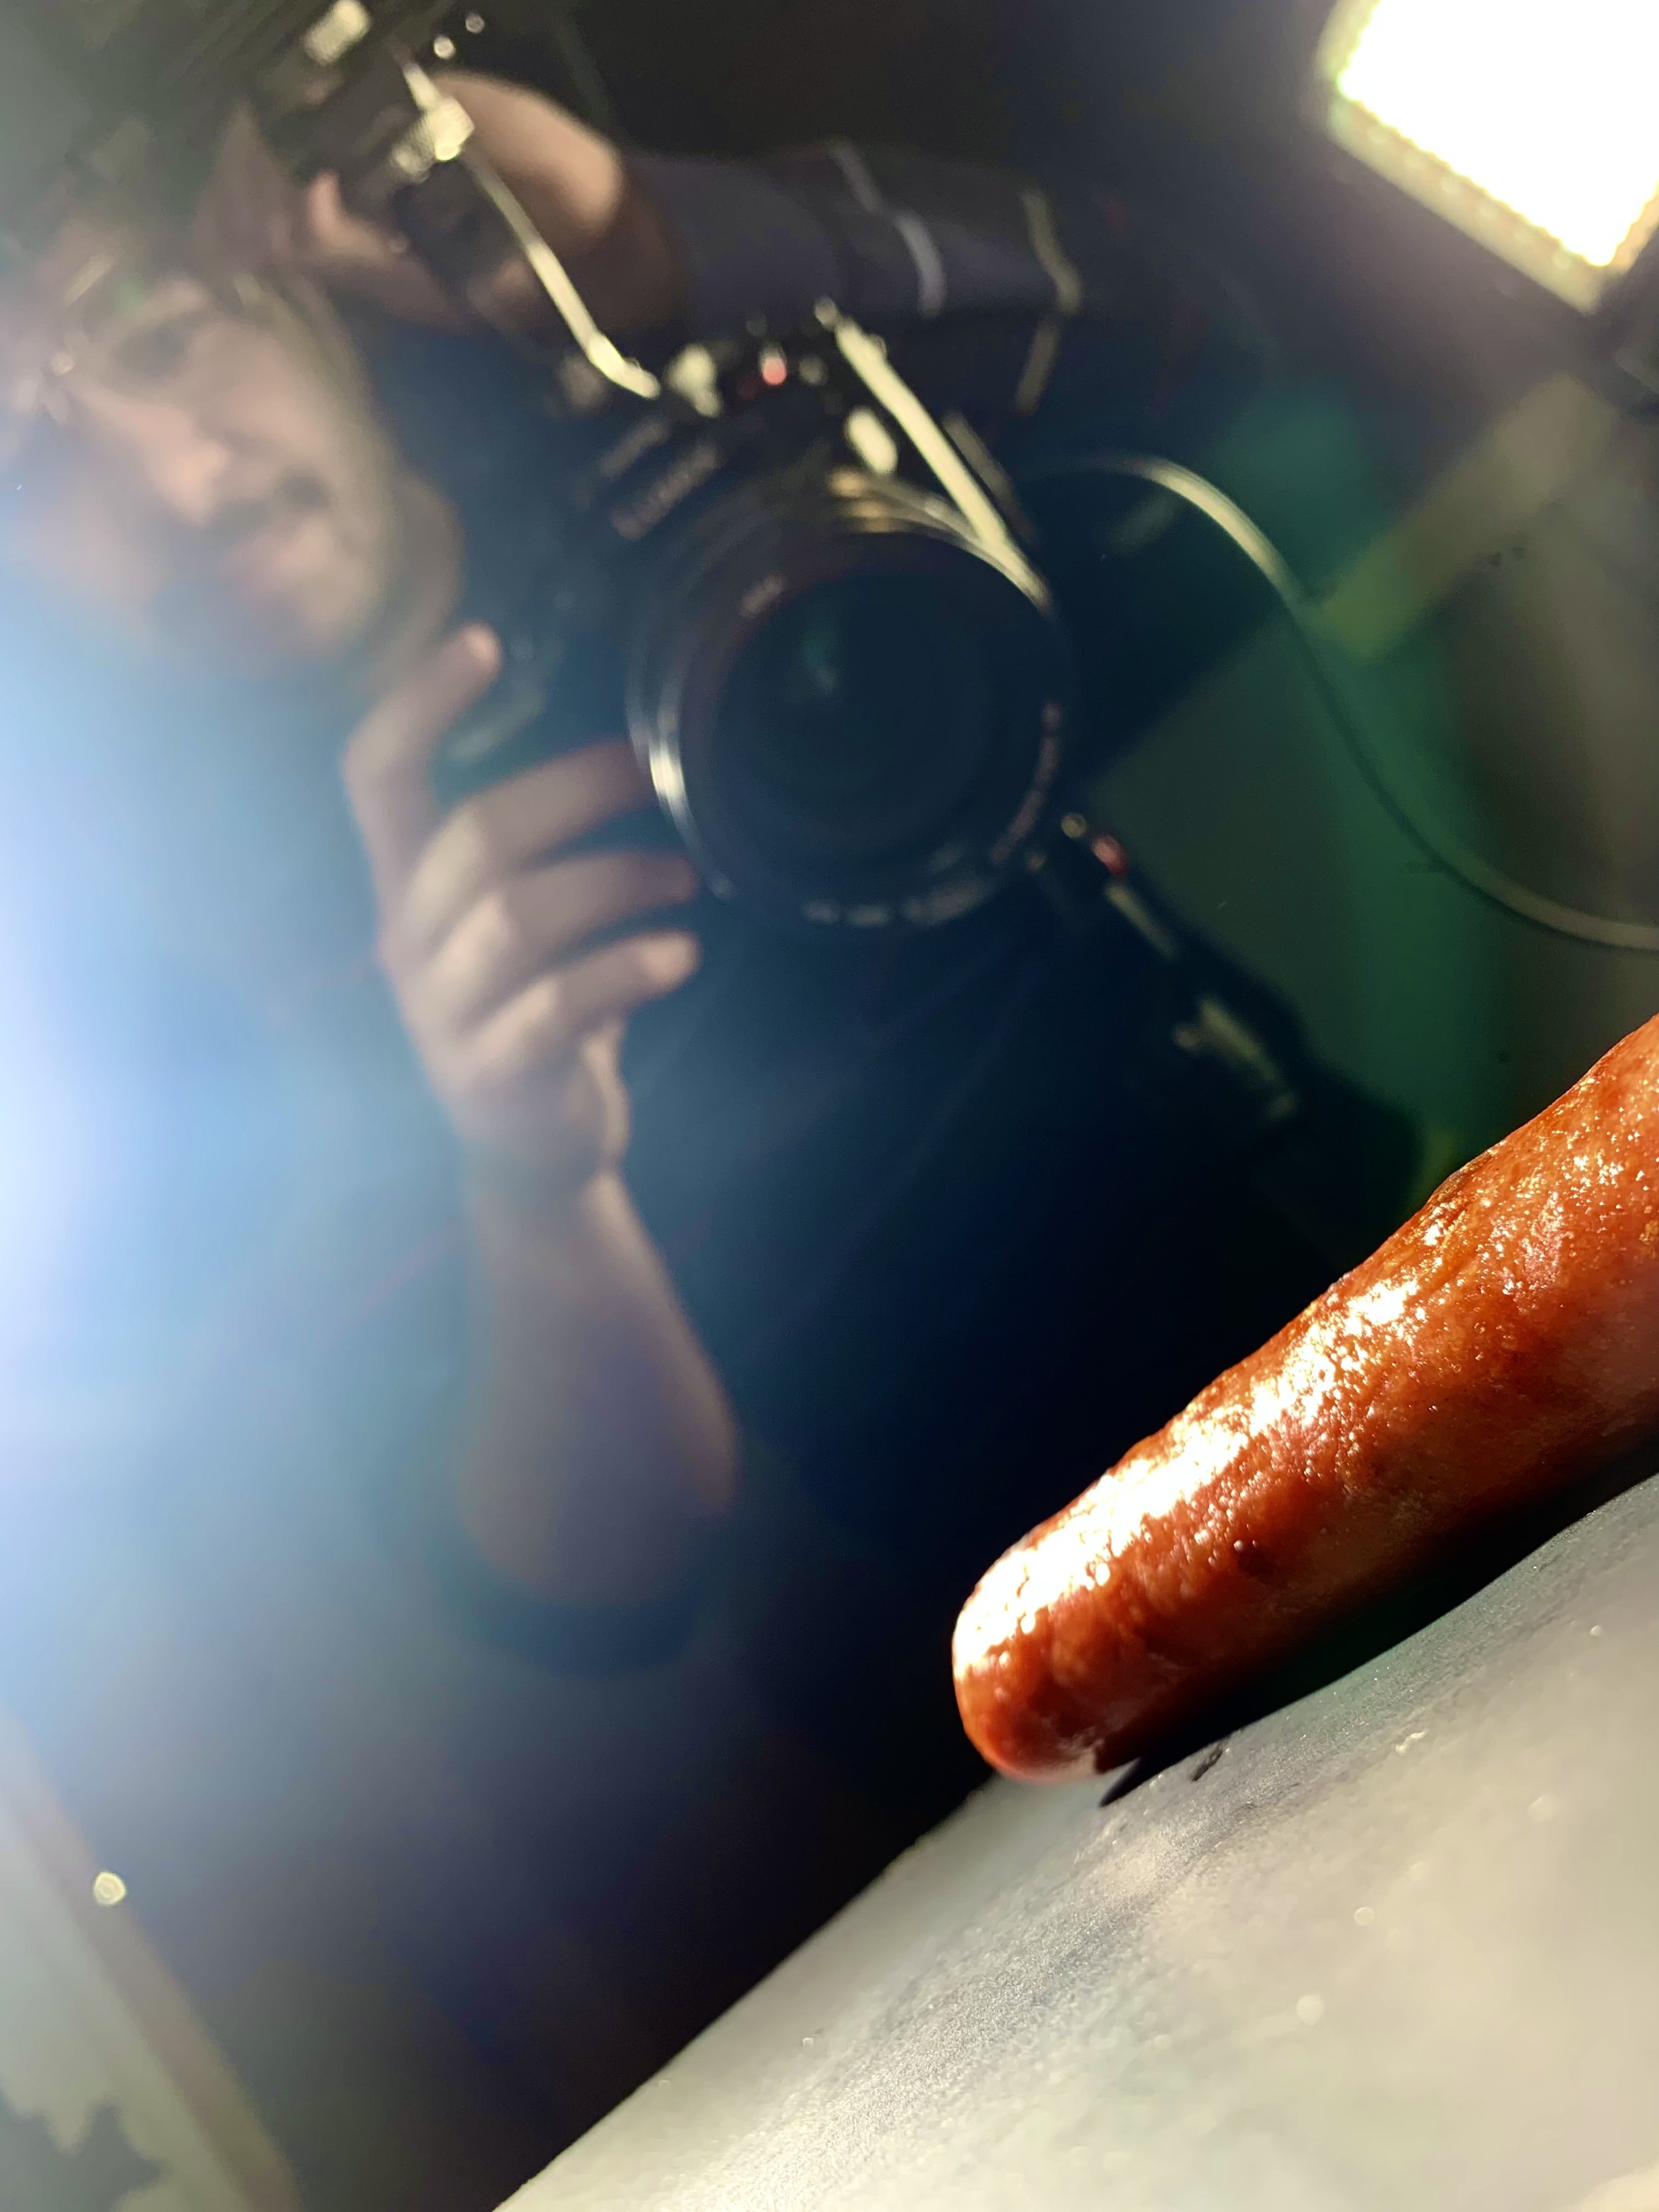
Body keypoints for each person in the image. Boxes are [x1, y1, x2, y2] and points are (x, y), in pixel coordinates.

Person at [0, 67, 1414, 2212]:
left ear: (296, 317)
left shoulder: (681, 442)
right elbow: (589, 1583)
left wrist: (644, 229)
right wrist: (528, 1181)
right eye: (32, 456)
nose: (168, 476)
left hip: (1347, 1284)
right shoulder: (143, 1033)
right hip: (1008, 1708)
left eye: (165, 340)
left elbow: (1200, 332)